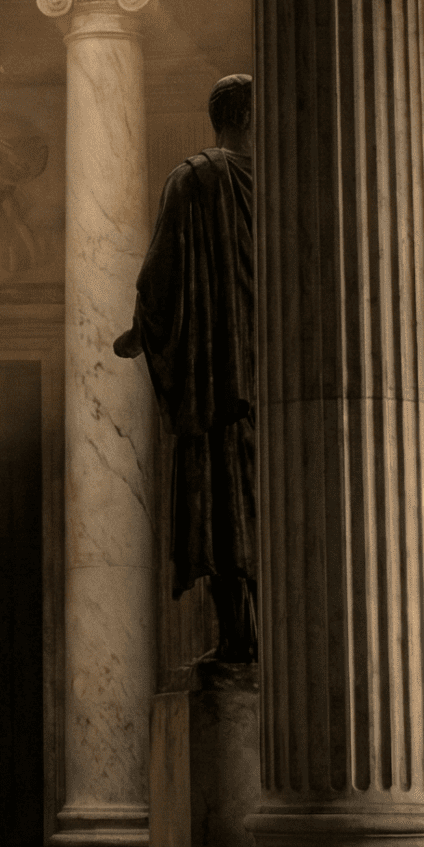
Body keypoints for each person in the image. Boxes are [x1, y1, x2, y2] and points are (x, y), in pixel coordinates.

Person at [116, 75, 256, 663]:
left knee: (223, 513)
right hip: (276, 386)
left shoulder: (191, 178)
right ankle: (265, 639)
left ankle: (237, 638)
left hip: (218, 384)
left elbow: (158, 274)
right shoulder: (289, 180)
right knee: (266, 509)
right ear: (251, 114)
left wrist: (144, 328)